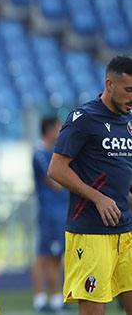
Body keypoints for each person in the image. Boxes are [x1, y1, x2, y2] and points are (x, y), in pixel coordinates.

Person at [47, 55, 132, 314]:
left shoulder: (128, 123)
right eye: (128, 90)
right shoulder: (83, 117)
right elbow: (56, 169)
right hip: (92, 232)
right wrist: (98, 197)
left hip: (125, 231)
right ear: (110, 84)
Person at [31, 116, 69, 312]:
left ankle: (55, 299)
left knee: (56, 256)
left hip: (60, 210)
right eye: (58, 128)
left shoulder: (52, 153)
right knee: (43, 256)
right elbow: (55, 182)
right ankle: (39, 299)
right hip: (49, 211)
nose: (61, 131)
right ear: (49, 130)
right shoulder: (40, 153)